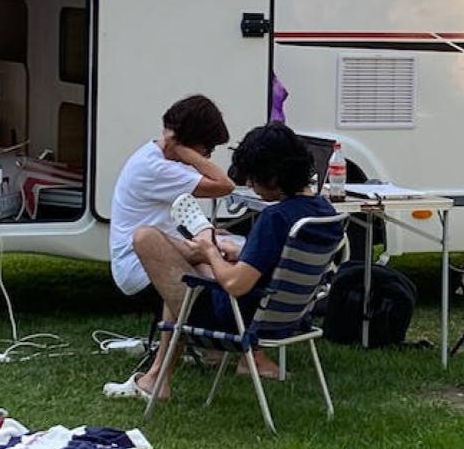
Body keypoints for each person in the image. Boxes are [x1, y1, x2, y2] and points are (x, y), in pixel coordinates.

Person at [105, 121, 337, 400]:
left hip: (237, 320)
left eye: (253, 177)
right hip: (290, 318)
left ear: (274, 175)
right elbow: (279, 261)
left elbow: (236, 284)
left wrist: (209, 252)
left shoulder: (274, 218)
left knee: (146, 239)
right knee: (187, 266)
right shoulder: (323, 210)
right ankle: (155, 378)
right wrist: (240, 253)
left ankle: (155, 380)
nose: (250, 184)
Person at [106, 95, 235, 301]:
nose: (207, 156)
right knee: (219, 258)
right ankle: (220, 317)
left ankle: (186, 328)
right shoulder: (156, 168)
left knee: (218, 249)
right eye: (207, 149)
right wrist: (187, 153)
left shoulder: (151, 156)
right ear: (191, 141)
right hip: (139, 267)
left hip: (141, 258)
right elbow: (225, 185)